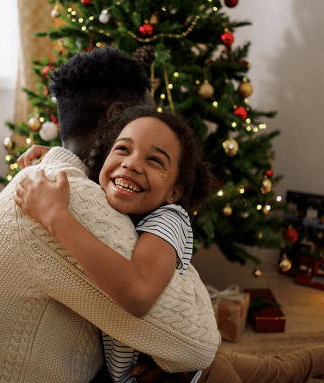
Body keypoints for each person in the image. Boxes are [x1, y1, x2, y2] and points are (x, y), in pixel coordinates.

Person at [0, 47, 220, 383]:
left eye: (154, 158)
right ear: (118, 116)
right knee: (201, 367)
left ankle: (298, 363)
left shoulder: (51, 181)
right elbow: (200, 344)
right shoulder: (63, 202)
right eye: (145, 115)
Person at [14, 106, 212, 383]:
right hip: (118, 374)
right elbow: (96, 178)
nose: (131, 164)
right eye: (122, 149)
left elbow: (139, 293)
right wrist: (56, 157)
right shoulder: (113, 208)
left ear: (174, 192)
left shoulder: (170, 219)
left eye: (155, 160)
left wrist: (55, 216)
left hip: (183, 378)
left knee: (275, 372)